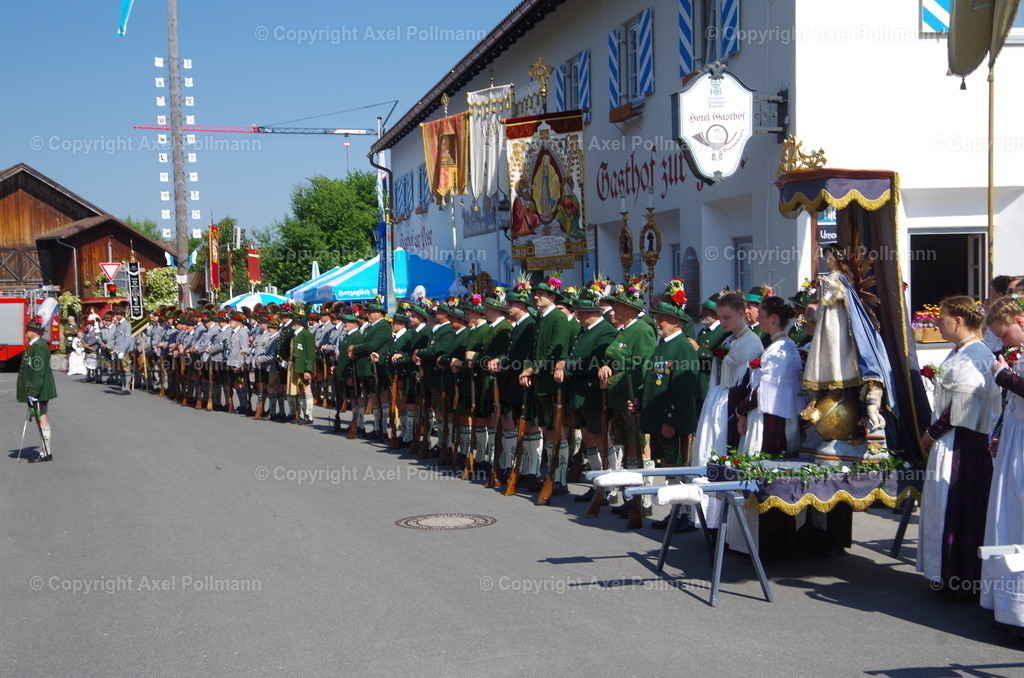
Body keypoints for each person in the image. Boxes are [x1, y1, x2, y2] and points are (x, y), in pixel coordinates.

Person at [917, 296, 1000, 596]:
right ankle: (948, 574)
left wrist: (931, 434)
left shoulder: (976, 355)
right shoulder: (961, 351)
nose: (938, 321)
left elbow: (960, 409)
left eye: (943, 317)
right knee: (948, 507)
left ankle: (961, 578)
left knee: (959, 508)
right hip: (953, 441)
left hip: (963, 445)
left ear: (959, 321)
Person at [692, 291, 763, 527]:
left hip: (731, 403)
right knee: (707, 450)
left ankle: (722, 518)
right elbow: (717, 374)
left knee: (723, 451)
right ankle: (705, 515)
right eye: (720, 318)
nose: (722, 322)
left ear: (742, 314)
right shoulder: (727, 340)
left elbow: (748, 382)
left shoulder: (751, 342)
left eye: (727, 317)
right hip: (717, 399)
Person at [982, 296, 1024, 633]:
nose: (1003, 342)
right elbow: (1011, 404)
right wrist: (998, 433)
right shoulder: (1017, 354)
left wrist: (1004, 376)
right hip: (1014, 436)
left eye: (1005, 334)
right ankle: (1004, 601)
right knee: (1006, 512)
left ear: (1019, 320)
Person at [736, 296, 802, 456]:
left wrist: (741, 410)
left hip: (770, 421)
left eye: (761, 314)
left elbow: (765, 391)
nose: (758, 317)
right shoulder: (784, 346)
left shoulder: (779, 351)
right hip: (774, 415)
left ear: (773, 318)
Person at [17, 316, 57, 463]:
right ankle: (45, 451)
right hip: (36, 389)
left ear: (35, 331)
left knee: (42, 419)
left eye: (28, 328)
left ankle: (46, 452)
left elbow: (39, 371)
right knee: (40, 419)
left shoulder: (39, 346)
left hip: (39, 390)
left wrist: (33, 393)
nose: (26, 331)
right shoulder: (35, 345)